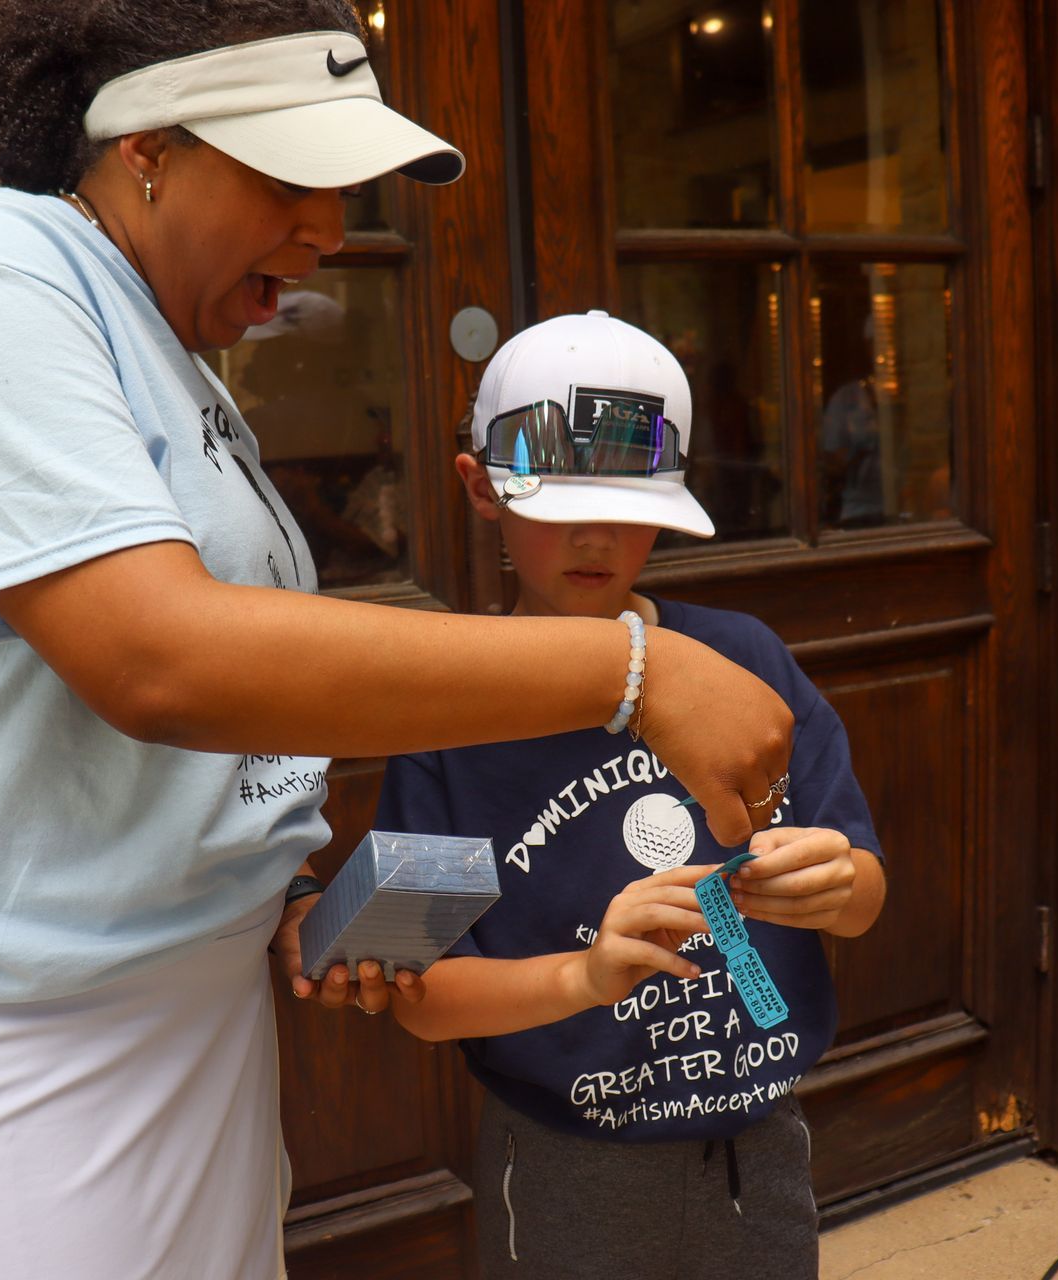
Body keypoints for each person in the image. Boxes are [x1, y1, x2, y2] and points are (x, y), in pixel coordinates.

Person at [0, 4, 796, 1278]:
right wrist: (631, 668)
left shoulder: (172, 349)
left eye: (341, 189)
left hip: (183, 999)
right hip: (12, 1027)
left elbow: (225, 701)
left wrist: (295, 887)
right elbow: (160, 660)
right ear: (147, 141)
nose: (329, 227)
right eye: (291, 178)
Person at [375, 312, 886, 1280]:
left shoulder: (745, 662)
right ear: (478, 487)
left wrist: (838, 881)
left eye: (626, 503)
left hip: (759, 1142)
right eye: (560, 505)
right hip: (569, 1166)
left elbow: (863, 893)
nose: (598, 536)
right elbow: (418, 993)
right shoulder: (444, 706)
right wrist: (583, 975)